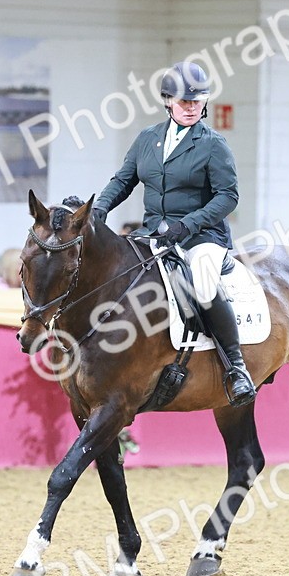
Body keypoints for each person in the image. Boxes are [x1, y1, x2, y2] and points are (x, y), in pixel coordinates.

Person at [92, 61, 255, 407]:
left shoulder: (213, 144)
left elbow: (228, 196)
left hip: (202, 237)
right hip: (154, 235)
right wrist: (99, 210)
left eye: (197, 102)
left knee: (204, 283)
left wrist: (189, 224)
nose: (191, 108)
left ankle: (235, 367)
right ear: (168, 101)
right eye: (184, 102)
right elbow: (123, 181)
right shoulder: (147, 139)